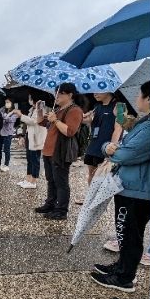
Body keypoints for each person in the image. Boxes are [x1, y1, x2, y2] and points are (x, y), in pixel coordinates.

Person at [96, 80, 150, 299]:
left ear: (149, 98)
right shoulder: (146, 122)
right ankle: (122, 267)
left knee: (130, 232)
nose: (137, 98)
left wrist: (110, 148)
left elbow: (127, 153)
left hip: (139, 189)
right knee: (126, 230)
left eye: (140, 94)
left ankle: (125, 277)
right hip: (130, 186)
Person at [37, 84, 84, 220]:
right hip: (48, 151)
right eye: (56, 93)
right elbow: (41, 123)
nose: (56, 96)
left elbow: (70, 131)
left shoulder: (74, 110)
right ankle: (50, 203)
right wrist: (39, 111)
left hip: (60, 152)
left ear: (70, 95)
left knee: (61, 182)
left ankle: (61, 210)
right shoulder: (57, 110)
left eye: (60, 94)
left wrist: (55, 120)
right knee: (51, 180)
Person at [19, 97, 49, 190]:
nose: (29, 99)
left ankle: (33, 181)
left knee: (35, 159)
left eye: (30, 97)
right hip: (30, 136)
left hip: (36, 138)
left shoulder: (41, 107)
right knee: (29, 158)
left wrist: (21, 116)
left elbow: (34, 121)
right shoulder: (32, 109)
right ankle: (28, 179)